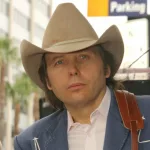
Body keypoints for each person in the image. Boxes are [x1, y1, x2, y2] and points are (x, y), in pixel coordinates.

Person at [14, 3, 150, 150]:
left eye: (83, 57)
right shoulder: (30, 143)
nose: (73, 69)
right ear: (48, 81)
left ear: (106, 68)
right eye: (59, 62)